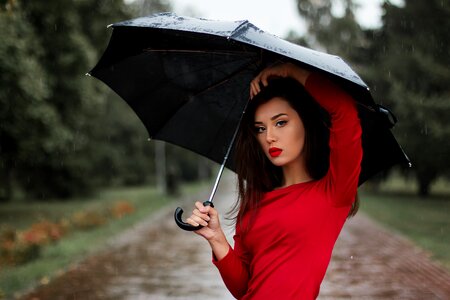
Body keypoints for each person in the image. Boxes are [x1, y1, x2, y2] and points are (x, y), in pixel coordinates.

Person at [185, 62, 362, 299]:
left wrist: (291, 71)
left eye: (280, 122)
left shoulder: (334, 192)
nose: (269, 137)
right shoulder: (254, 202)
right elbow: (243, 288)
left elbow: (344, 109)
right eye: (260, 128)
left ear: (305, 123)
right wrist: (216, 238)